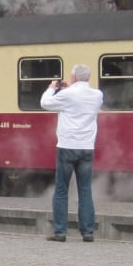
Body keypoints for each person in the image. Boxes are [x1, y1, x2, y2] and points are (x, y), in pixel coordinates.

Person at [40, 64, 104, 242]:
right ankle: (88, 232)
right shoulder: (98, 95)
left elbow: (45, 103)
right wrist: (70, 88)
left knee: (62, 190)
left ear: (74, 77)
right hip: (87, 148)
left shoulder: (67, 94)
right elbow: (81, 99)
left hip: (67, 147)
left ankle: (60, 232)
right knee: (85, 191)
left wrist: (52, 87)